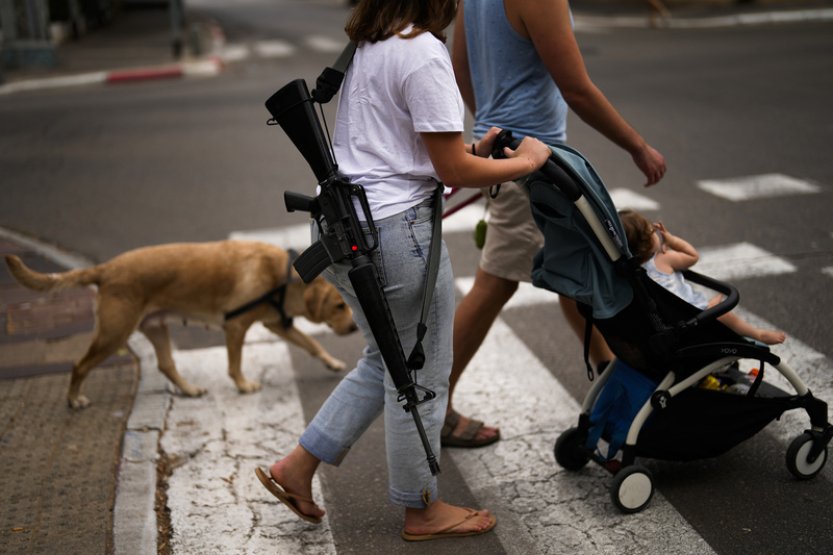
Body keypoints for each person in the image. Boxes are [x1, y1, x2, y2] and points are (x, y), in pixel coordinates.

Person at [256, 0, 553, 542]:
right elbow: (450, 169)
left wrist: (474, 152)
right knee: (420, 376)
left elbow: (400, 148)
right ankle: (422, 509)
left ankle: (296, 468)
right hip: (396, 234)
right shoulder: (423, 52)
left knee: (384, 362)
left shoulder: (369, 44)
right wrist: (527, 162)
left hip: (344, 226)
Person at [444, 0, 668, 448]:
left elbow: (460, 70)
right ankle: (435, 406)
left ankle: (610, 371)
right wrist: (638, 146)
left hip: (505, 148)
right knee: (496, 281)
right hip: (530, 162)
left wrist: (493, 121)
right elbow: (577, 89)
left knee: (572, 263)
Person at [620, 209, 786, 345]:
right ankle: (757, 334)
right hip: (691, 319)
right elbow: (692, 256)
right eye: (653, 231)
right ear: (647, 241)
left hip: (666, 322)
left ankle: (709, 307)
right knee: (722, 313)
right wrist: (672, 240)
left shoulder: (630, 274)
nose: (657, 233)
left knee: (710, 306)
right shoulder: (663, 259)